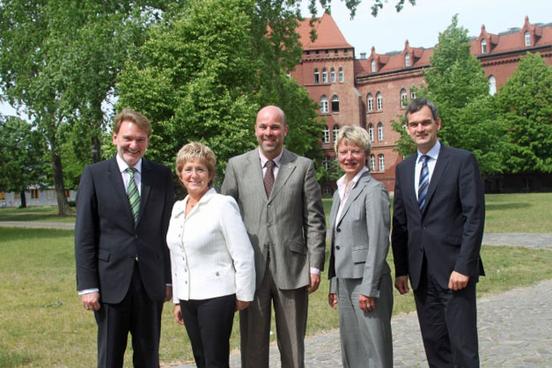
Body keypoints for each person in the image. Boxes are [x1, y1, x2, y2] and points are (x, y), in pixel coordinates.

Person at [221, 105, 326, 368]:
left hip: (293, 269)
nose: (269, 132)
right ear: (256, 129)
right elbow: (224, 218)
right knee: (252, 347)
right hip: (250, 270)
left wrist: (314, 265)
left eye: (275, 127)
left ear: (285, 130)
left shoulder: (302, 166)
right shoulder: (236, 166)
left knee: (292, 344)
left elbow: (313, 220)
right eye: (264, 127)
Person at [75, 108, 174, 367]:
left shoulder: (161, 176)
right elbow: (85, 234)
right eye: (128, 138)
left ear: (147, 141)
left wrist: (169, 279)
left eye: (140, 139)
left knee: (148, 356)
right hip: (110, 284)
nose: (134, 145)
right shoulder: (94, 175)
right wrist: (88, 286)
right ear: (115, 138)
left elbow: (167, 233)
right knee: (109, 357)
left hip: (150, 283)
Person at [391, 98, 485, 367]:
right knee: (436, 349)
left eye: (425, 122)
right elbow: (401, 223)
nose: (420, 128)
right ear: (407, 129)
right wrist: (401, 269)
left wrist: (464, 267)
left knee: (463, 349)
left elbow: (474, 217)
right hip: (421, 275)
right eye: (413, 124)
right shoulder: (404, 168)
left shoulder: (461, 161)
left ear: (437, 124)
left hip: (455, 273)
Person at [166, 142, 255, 368]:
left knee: (215, 360)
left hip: (216, 297)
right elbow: (176, 257)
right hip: (188, 297)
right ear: (180, 174)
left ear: (210, 174)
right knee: (200, 358)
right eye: (188, 169)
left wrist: (244, 294)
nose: (194, 175)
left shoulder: (222, 205)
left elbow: (243, 253)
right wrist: (178, 299)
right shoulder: (177, 208)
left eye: (200, 169)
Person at [328, 125, 393, 368]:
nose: (349, 157)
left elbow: (378, 242)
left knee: (374, 351)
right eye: (344, 152)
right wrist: (333, 283)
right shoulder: (339, 192)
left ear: (366, 153)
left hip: (366, 283)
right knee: (351, 348)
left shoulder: (373, 190)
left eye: (355, 151)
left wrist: (369, 288)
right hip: (344, 282)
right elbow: (336, 241)